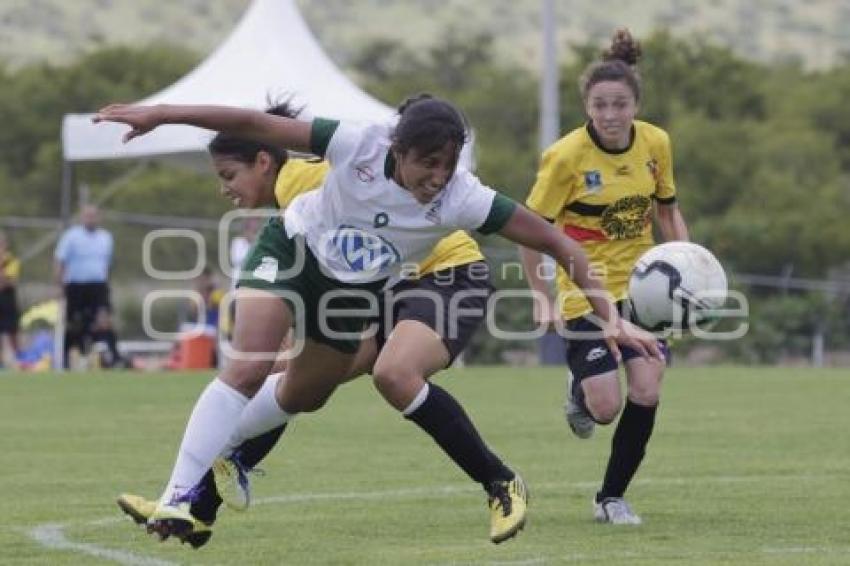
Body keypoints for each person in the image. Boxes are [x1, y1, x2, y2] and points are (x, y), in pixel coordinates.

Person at [95, 93, 661, 546]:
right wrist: (162, 113)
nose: (437, 176)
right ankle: (178, 495)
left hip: (358, 294)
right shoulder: (356, 143)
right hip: (293, 252)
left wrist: (609, 317)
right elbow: (251, 120)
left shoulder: (463, 197)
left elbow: (561, 244)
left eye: (448, 164)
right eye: (427, 163)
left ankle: (218, 472)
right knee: (248, 367)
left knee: (301, 394)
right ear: (396, 148)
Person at [520, 29, 689, 525]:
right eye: (600, 105)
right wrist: (541, 296)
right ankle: (580, 389)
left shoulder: (656, 142)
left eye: (620, 104)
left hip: (646, 285)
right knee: (604, 407)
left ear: (636, 103)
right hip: (583, 288)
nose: (611, 115)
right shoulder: (565, 157)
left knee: (648, 388)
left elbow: (670, 213)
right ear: (586, 107)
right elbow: (531, 232)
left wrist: (687, 264)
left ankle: (610, 497)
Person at [54, 205, 124, 369]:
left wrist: (107, 285)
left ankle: (114, 359)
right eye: (87, 216)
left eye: (93, 216)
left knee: (104, 321)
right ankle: (66, 360)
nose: (90, 219)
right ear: (81, 217)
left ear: (99, 218)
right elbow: (59, 261)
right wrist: (59, 285)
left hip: (98, 286)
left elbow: (107, 265)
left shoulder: (106, 237)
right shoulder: (71, 236)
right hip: (76, 286)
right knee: (74, 324)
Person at [0, 230, 21, 369]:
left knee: (13, 331)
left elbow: (10, 282)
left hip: (7, 299)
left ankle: (19, 360)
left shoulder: (12, 260)